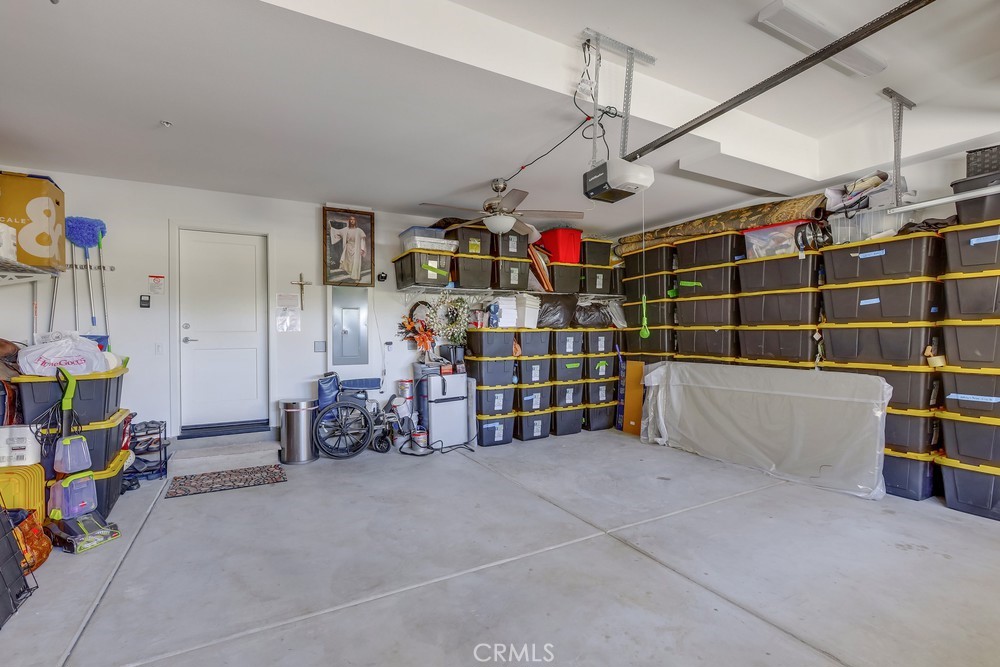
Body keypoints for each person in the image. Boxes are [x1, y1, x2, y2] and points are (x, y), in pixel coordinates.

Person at [329, 216, 367, 281]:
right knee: (348, 261)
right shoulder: (346, 229)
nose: (352, 221)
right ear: (349, 221)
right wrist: (331, 228)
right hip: (348, 247)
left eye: (353, 219)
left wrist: (362, 249)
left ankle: (355, 276)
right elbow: (337, 232)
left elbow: (362, 240)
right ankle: (349, 272)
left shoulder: (359, 231)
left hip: (356, 248)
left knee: (355, 262)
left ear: (355, 221)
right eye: (350, 220)